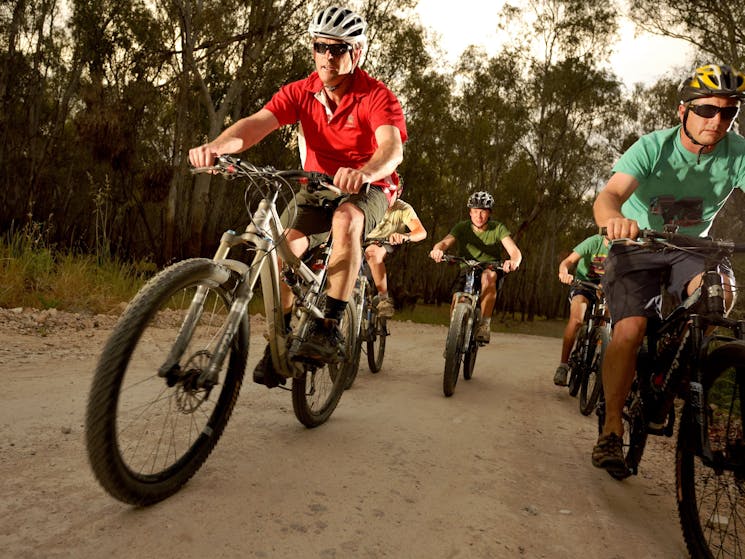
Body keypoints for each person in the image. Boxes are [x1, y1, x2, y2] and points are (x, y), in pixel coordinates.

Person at [188, 5, 408, 387]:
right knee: (279, 250)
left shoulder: (377, 95)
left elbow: (391, 148)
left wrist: (365, 171)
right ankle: (284, 339)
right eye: (321, 47)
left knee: (347, 220)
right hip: (316, 188)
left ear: (357, 53)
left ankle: (328, 326)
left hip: (369, 187)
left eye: (338, 49)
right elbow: (257, 124)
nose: (328, 57)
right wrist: (219, 147)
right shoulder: (301, 91)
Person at [591, 63, 745, 477]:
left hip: (692, 248)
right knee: (630, 328)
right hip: (637, 245)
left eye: (729, 113)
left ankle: (680, 366)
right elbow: (609, 195)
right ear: (684, 111)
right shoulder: (653, 146)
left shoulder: (738, 151)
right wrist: (614, 221)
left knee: (722, 293)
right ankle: (610, 430)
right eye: (708, 110)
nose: (719, 121)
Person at [428, 191, 522, 343]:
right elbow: (444, 242)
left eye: (483, 212)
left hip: (490, 267)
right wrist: (437, 250)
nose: (479, 216)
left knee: (488, 276)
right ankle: (453, 337)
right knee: (458, 299)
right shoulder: (462, 227)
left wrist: (513, 261)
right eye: (475, 211)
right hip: (467, 268)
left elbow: (514, 251)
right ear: (470, 212)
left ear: (489, 213)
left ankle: (484, 324)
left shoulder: (497, 228)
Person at [553, 234, 609, 386]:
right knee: (577, 319)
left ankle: (599, 351)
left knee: (608, 322)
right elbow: (568, 261)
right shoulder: (594, 242)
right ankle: (563, 366)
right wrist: (564, 272)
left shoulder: (624, 247)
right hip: (584, 285)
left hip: (607, 289)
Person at [364, 184, 427, 317]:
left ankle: (383, 299)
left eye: (392, 192)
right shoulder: (368, 201)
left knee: (372, 252)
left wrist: (405, 236)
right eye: (384, 191)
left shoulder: (403, 208)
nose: (387, 196)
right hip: (362, 241)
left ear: (399, 192)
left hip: (386, 242)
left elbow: (421, 232)